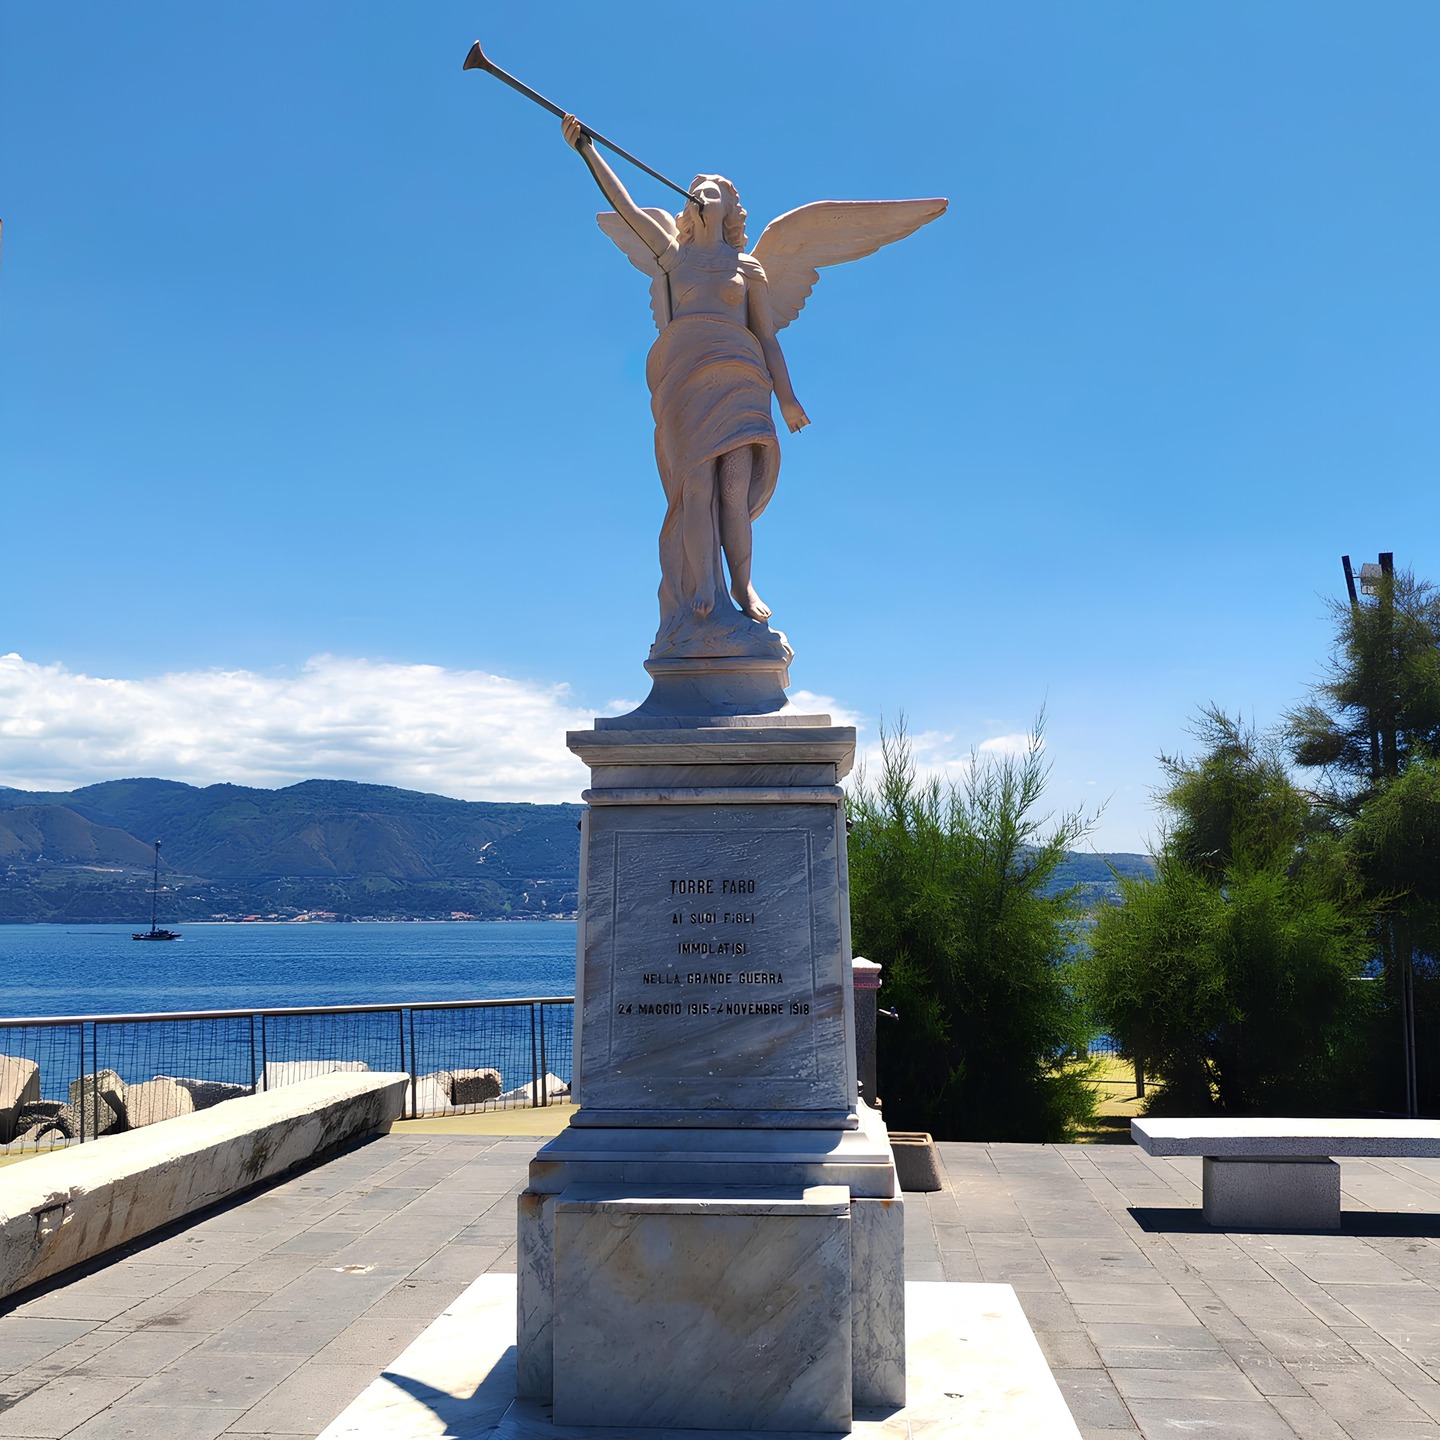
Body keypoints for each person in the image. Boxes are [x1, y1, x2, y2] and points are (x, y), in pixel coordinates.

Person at [562, 114, 808, 638]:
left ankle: (742, 586)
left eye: (711, 189)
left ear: (727, 207)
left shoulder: (748, 269)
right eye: (695, 188)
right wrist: (586, 149)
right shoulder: (672, 259)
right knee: (695, 484)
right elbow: (627, 210)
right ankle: (703, 584)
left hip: (741, 382)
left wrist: (787, 400)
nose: (700, 192)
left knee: (734, 490)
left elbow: (767, 337)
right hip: (686, 384)